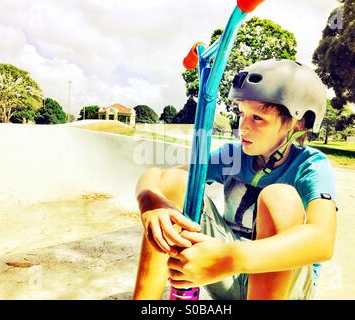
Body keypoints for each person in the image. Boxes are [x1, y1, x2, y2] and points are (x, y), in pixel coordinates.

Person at [132, 59, 337, 300]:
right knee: (179, 182)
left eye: (258, 118)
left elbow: (322, 241)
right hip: (222, 272)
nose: (243, 127)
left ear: (297, 123)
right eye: (242, 113)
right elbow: (167, 178)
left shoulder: (310, 165)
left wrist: (230, 258)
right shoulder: (234, 155)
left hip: (281, 285)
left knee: (279, 197)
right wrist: (149, 200)